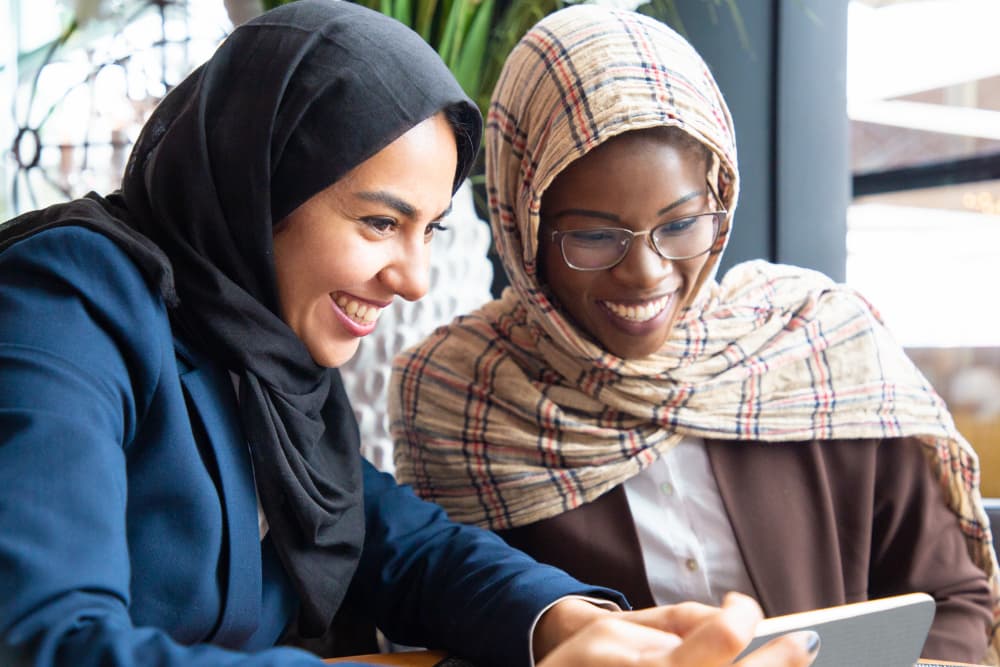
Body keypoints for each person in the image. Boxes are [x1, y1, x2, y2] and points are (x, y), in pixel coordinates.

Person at [0, 1, 822, 666]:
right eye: (380, 222)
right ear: (259, 184)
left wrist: (568, 624)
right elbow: (48, 641)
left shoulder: (263, 348)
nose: (415, 278)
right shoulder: (67, 297)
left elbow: (400, 544)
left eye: (428, 229)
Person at [389, 5, 1000, 665]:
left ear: (720, 199)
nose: (646, 273)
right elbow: (443, 636)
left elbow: (951, 598)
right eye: (594, 236)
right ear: (524, 227)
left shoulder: (820, 345)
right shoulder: (460, 392)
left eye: (681, 225)